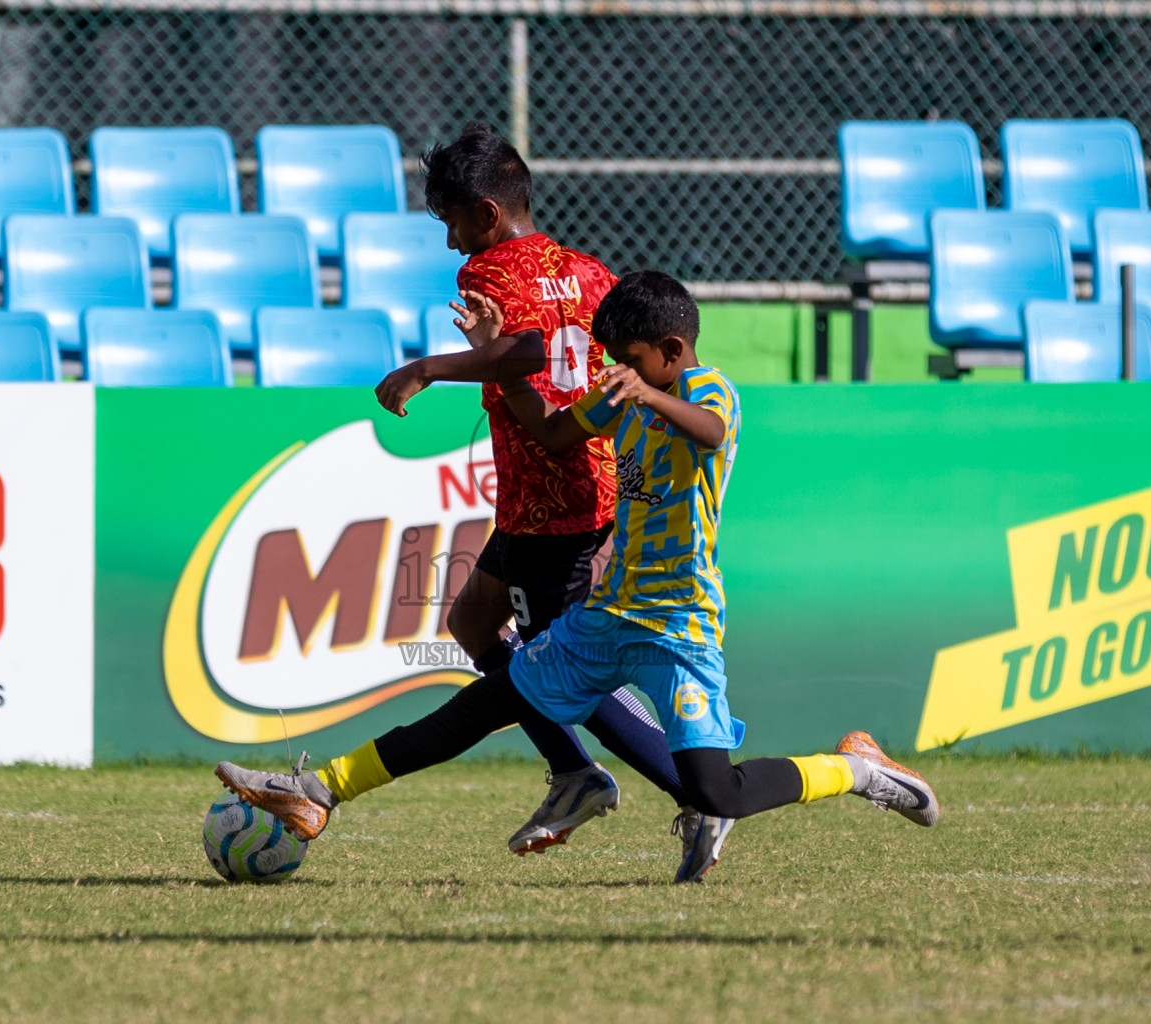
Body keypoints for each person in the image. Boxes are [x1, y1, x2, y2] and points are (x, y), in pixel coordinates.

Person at [215, 271, 939, 884]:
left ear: (672, 352)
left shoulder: (707, 391)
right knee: (484, 703)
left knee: (715, 789)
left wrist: (647, 397)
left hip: (679, 626)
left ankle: (860, 770)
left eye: (629, 357)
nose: (616, 368)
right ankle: (318, 792)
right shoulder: (622, 392)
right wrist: (500, 367)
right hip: (608, 615)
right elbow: (556, 432)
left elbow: (712, 433)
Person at [370, 121, 730, 877]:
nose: (451, 243)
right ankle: (572, 772)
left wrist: (432, 367)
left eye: (453, 222)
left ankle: (690, 794)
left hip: (550, 500)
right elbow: (581, 359)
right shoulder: (592, 272)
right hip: (580, 482)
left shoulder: (487, 273)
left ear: (489, 216)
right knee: (472, 621)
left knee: (561, 665)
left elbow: (530, 350)